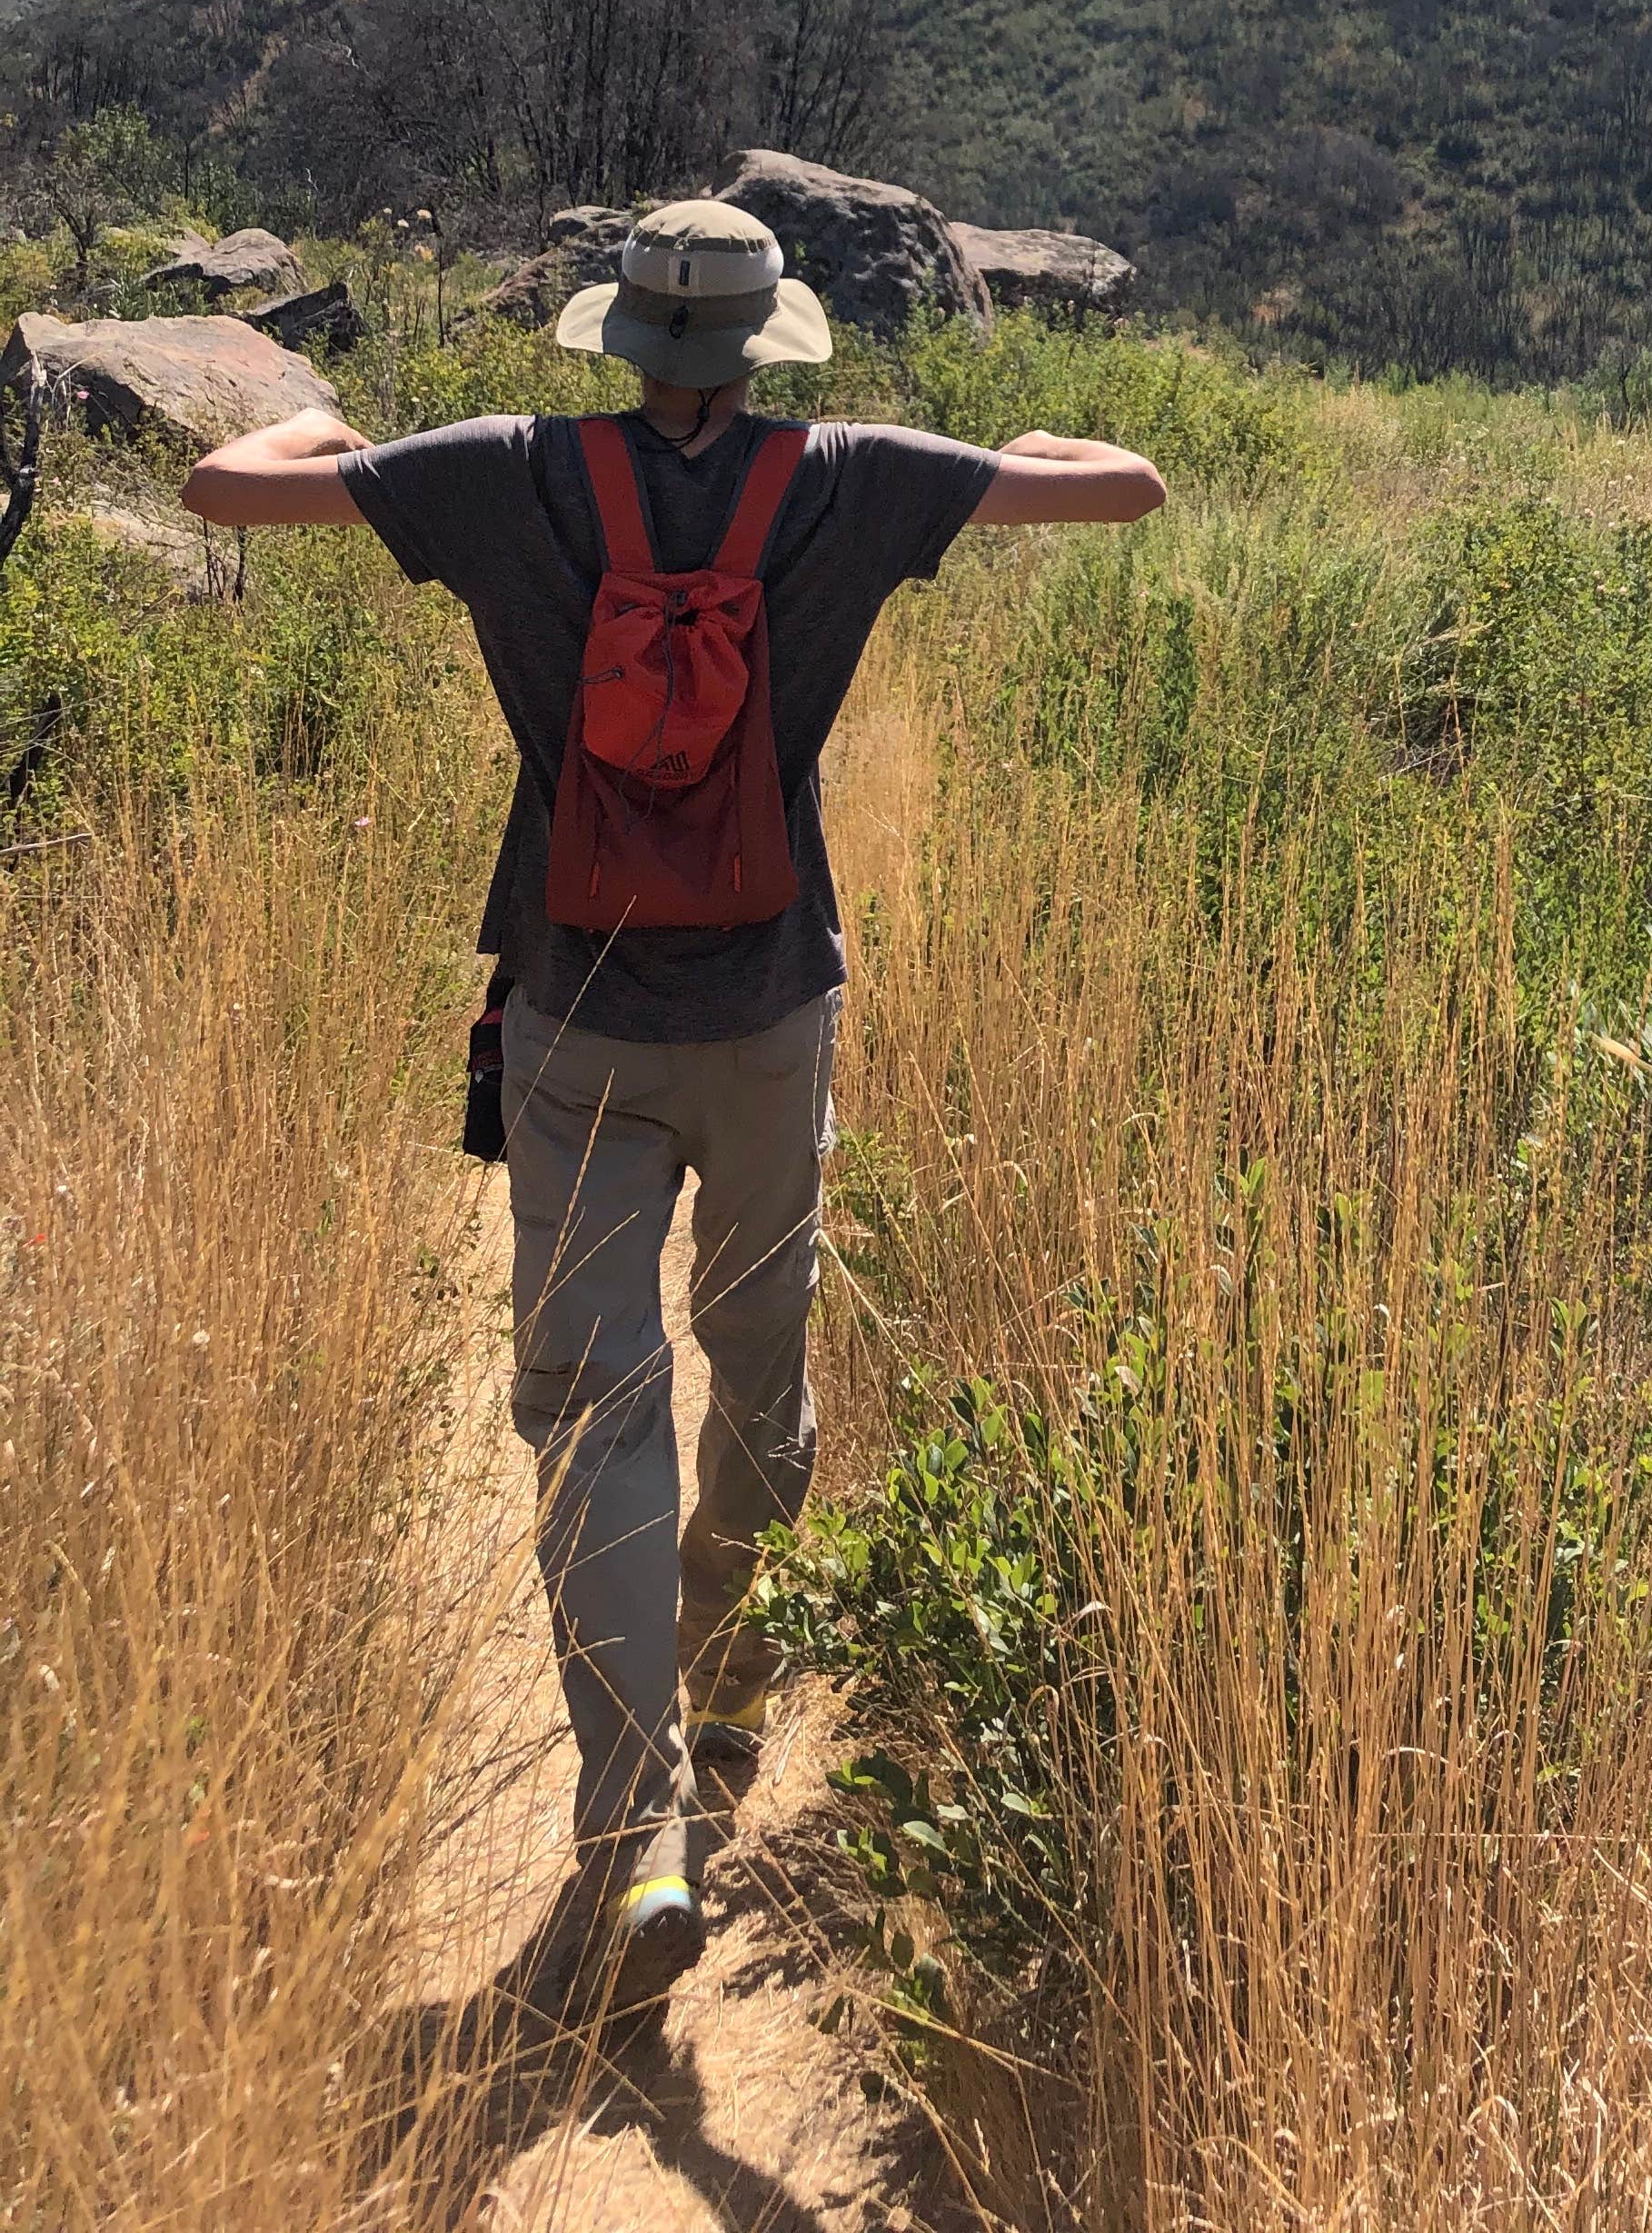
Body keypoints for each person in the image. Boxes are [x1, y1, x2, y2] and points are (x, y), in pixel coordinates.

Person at [184, 197, 1166, 2009]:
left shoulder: (497, 474)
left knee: (591, 1407)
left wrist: (333, 432)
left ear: (623, 339)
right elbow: (1129, 486)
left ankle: (628, 1830)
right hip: (772, 1011)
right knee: (762, 1385)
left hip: (576, 1014)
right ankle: (730, 1701)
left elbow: (226, 491)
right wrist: (1007, 449)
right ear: (766, 342)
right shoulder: (855, 477)